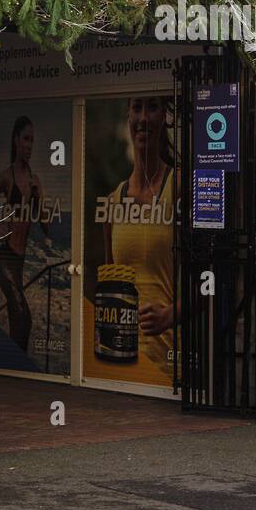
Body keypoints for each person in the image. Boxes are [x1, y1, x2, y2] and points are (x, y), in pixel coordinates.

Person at [101, 96, 178, 377]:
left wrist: (172, 314)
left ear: (164, 118)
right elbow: (110, 289)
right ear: (128, 115)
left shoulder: (180, 187)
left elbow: (208, 280)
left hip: (169, 362)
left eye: (153, 108)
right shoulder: (113, 201)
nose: (144, 118)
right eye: (137, 108)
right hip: (122, 361)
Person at [0, 115, 49, 353]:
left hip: (20, 262)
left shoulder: (35, 180)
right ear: (15, 141)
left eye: (32, 140)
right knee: (23, 315)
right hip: (6, 259)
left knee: (17, 316)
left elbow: (45, 225)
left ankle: (13, 363)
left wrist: (38, 197)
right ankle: (16, 364)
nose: (29, 146)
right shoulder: (6, 176)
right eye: (25, 139)